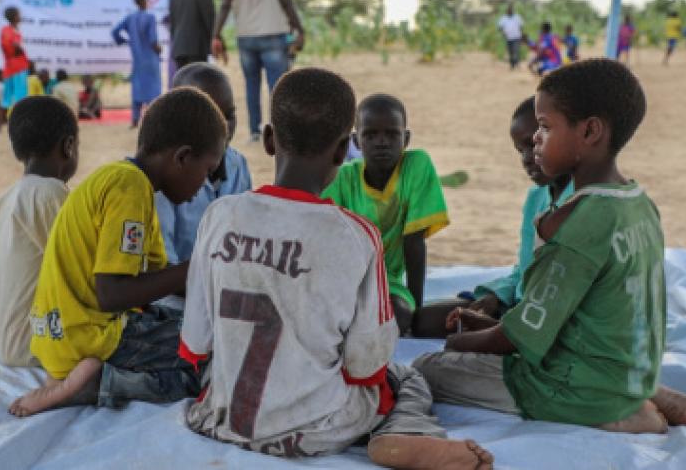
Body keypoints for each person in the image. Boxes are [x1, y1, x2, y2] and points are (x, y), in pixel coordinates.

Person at [179, 68, 493, 469]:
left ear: (271, 139)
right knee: (407, 379)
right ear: (346, 149)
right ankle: (408, 432)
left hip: (224, 419)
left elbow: (195, 344)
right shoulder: (357, 236)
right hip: (314, 432)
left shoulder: (219, 216)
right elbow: (366, 365)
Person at [414, 59, 686, 434]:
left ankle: (621, 413)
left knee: (425, 368)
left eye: (544, 127)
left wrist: (462, 341)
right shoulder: (639, 203)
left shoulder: (573, 223)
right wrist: (493, 324)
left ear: (590, 131)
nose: (536, 140)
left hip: (574, 390)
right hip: (628, 372)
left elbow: (520, 337)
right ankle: (640, 396)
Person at [8, 87, 228, 417]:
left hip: (66, 334)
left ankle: (91, 376)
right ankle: (100, 384)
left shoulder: (127, 183)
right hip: (87, 338)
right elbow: (111, 294)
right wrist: (195, 267)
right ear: (182, 157)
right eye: (207, 171)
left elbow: (154, 279)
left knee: (199, 324)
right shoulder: (130, 188)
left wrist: (219, 279)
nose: (205, 184)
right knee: (214, 357)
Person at [413, 96, 574, 337]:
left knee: (453, 349)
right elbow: (523, 270)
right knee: (423, 321)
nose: (528, 158)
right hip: (516, 305)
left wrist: (502, 326)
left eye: (535, 144)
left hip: (545, 320)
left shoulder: (580, 202)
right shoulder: (536, 197)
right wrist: (493, 297)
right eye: (521, 151)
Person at [0, 96, 78, 365]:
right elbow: (79, 271)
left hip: (5, 333)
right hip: (35, 343)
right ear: (69, 147)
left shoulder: (7, 197)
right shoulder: (51, 194)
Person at [323, 94, 449, 335]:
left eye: (392, 134)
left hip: (387, 281)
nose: (382, 142)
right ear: (356, 141)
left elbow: (414, 241)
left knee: (399, 316)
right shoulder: (343, 178)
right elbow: (326, 240)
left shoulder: (416, 166)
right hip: (343, 279)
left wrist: (417, 309)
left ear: (406, 138)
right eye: (370, 135)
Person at [212, 0, 305, 142]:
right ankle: (278, 131)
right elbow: (286, 0)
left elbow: (225, 4)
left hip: (246, 36)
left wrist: (216, 33)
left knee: (251, 85)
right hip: (273, 32)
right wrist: (299, 28)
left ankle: (255, 131)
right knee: (277, 85)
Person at [155, 62, 252, 265]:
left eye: (230, 115)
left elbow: (247, 234)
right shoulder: (162, 177)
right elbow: (163, 262)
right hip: (172, 291)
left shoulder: (238, 164)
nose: (224, 126)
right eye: (212, 116)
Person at [112, 0, 162, 128]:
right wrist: (159, 49)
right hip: (150, 59)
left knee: (137, 89)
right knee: (153, 91)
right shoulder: (150, 17)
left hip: (138, 59)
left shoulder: (130, 18)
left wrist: (124, 41)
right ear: (145, 1)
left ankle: (135, 120)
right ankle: (154, 120)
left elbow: (115, 32)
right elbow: (153, 40)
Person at [168, 0, 215, 71]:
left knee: (184, 84)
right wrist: (214, 39)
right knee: (197, 83)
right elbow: (209, 19)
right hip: (197, 48)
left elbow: (173, 25)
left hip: (179, 49)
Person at [0, 7, 30, 130]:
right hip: (18, 67)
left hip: (9, 67)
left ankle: (0, 125)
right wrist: (20, 49)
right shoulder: (10, 31)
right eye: (19, 14)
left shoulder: (6, 30)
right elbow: (14, 45)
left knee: (7, 97)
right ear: (14, 17)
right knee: (20, 97)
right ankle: (20, 125)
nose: (20, 16)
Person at [497, 4, 524, 70]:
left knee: (516, 51)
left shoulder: (517, 17)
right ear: (507, 11)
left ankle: (517, 64)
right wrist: (503, 32)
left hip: (516, 37)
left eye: (511, 10)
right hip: (508, 38)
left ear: (512, 11)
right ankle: (512, 65)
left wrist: (521, 35)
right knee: (510, 52)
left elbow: (521, 26)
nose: (510, 11)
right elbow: (499, 27)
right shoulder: (503, 18)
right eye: (508, 11)